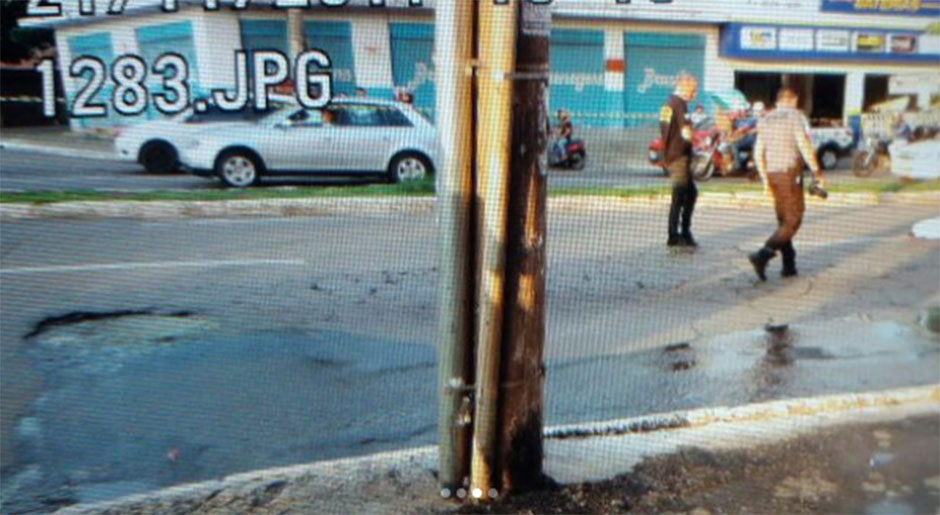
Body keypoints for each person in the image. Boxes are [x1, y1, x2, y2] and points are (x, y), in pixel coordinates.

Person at [749, 87, 825, 281]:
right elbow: (803, 144)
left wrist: (764, 179)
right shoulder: (794, 116)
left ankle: (789, 265)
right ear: (793, 100)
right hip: (789, 174)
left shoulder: (765, 119)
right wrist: (817, 171)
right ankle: (763, 254)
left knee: (783, 220)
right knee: (793, 220)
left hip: (773, 174)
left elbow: (758, 152)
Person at [660, 74, 699, 248]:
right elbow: (685, 131)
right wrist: (693, 142)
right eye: (693, 90)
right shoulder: (680, 104)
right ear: (684, 87)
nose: (694, 94)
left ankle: (681, 232)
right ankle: (676, 235)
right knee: (680, 195)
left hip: (671, 154)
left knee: (689, 193)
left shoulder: (668, 103)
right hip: (679, 157)